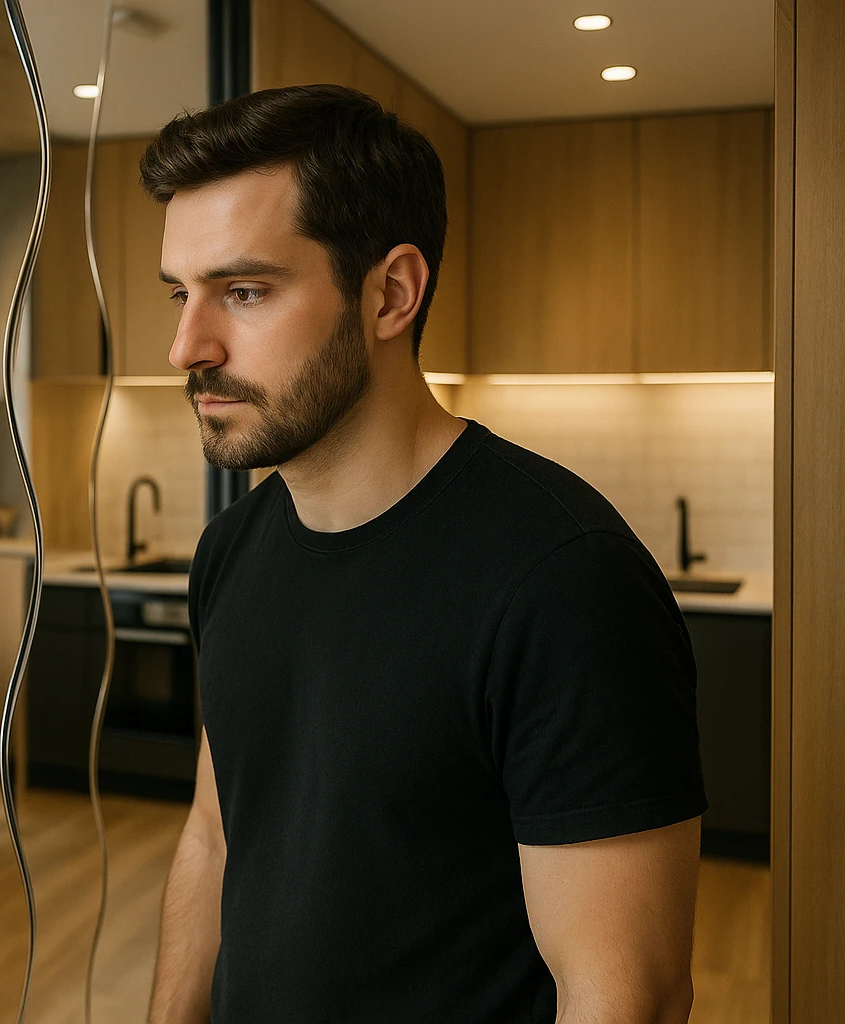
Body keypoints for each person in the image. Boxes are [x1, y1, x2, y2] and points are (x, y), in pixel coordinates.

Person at [141, 84, 706, 1024]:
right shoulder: (230, 551)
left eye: (244, 292)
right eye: (180, 293)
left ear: (391, 293)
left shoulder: (564, 581)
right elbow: (214, 833)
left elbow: (624, 997)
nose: (185, 345)